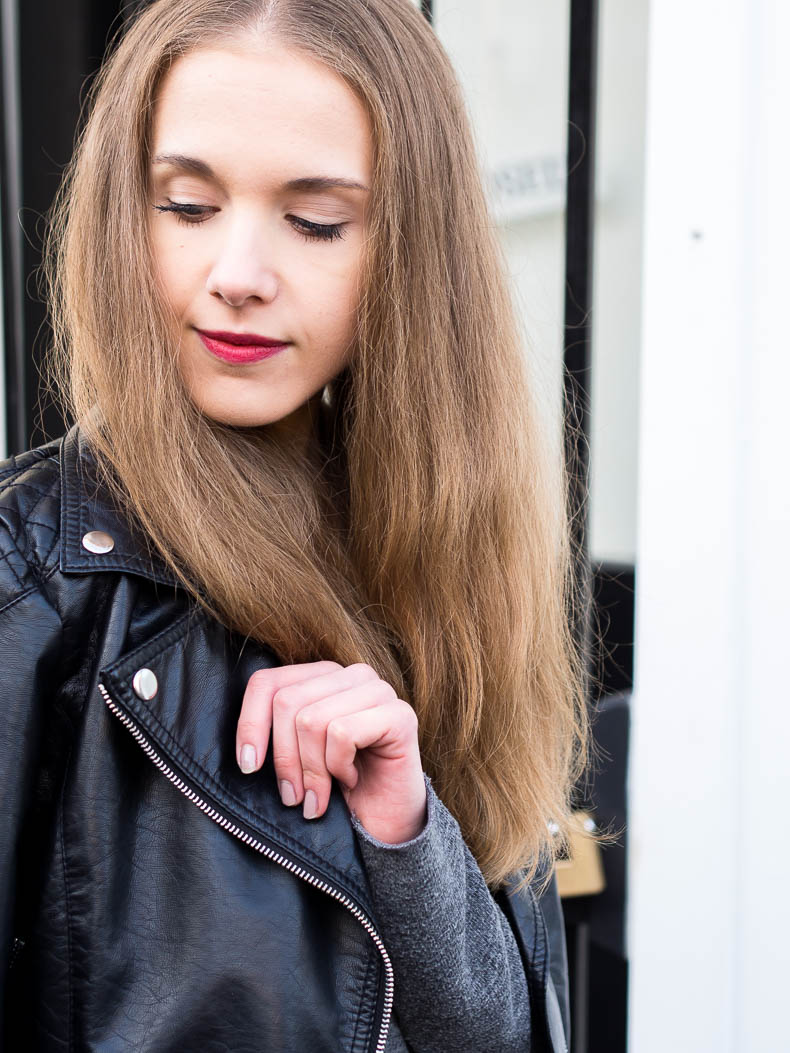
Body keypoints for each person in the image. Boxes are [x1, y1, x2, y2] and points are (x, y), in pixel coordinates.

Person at [0, 0, 590, 1049]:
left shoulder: (447, 570)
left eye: (315, 220)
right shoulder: (32, 583)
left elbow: (501, 1034)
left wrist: (407, 841)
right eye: (185, 205)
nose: (236, 274)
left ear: (413, 258)